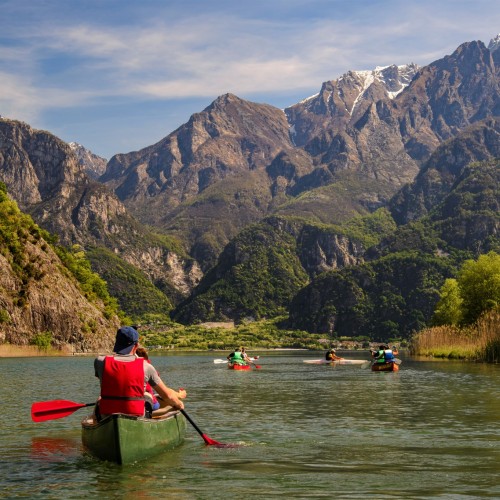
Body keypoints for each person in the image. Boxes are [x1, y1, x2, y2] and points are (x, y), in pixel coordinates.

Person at [94, 326, 186, 421]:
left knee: (100, 398)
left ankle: (93, 420)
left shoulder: (100, 362)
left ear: (116, 342)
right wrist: (179, 404)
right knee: (148, 395)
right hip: (136, 415)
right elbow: (167, 396)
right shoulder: (146, 366)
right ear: (136, 346)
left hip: (106, 414)